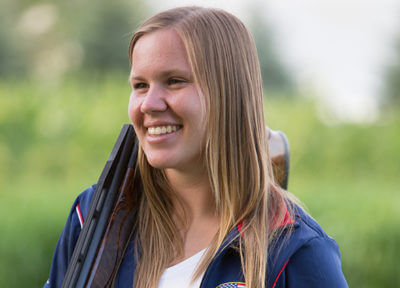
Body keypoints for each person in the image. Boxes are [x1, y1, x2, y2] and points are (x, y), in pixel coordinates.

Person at [44, 6, 348, 288]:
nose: (149, 104)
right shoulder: (95, 219)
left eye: (174, 81)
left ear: (229, 95)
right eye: (140, 85)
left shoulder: (296, 250)